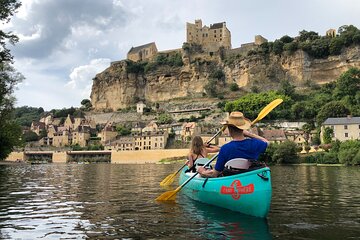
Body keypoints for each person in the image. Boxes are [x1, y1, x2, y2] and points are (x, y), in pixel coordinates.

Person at [197, 111, 269, 178]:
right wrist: (249, 134)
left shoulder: (225, 149)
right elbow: (266, 142)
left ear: (229, 129)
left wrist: (202, 172)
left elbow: (215, 174)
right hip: (251, 180)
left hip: (232, 182)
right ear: (243, 129)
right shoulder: (255, 143)